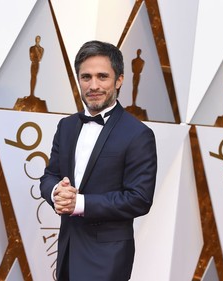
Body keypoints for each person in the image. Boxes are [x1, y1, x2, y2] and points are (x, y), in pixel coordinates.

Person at [40, 40, 157, 281]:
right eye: (86, 77)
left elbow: (139, 199)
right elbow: (50, 175)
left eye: (102, 76)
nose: (93, 85)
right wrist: (55, 193)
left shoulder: (138, 134)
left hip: (108, 257)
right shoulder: (66, 126)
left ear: (119, 80)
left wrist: (80, 204)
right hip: (68, 248)